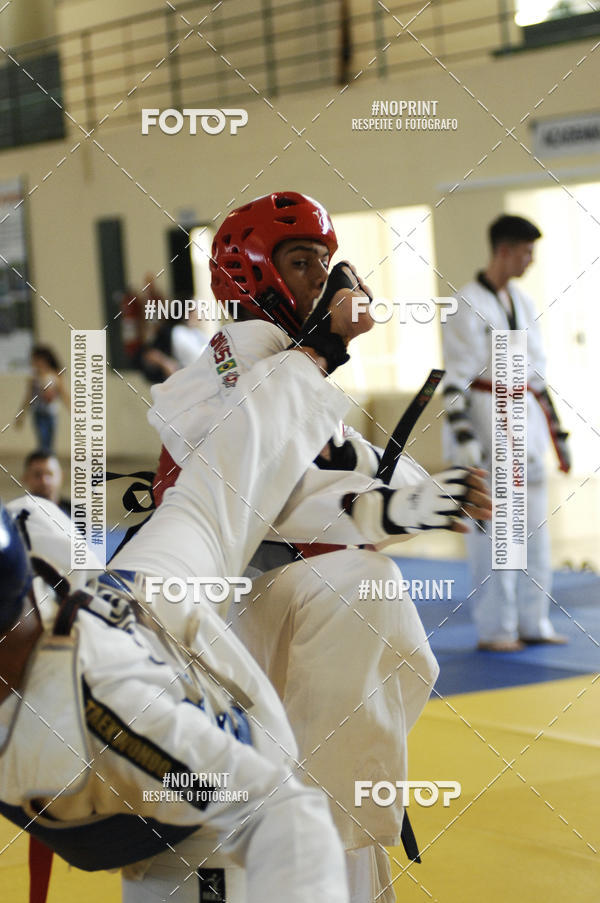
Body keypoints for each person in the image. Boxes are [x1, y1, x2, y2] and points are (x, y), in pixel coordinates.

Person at [141, 191, 492, 903]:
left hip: (280, 635)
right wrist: (385, 507)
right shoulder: (231, 370)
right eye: (301, 262)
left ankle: (328, 863)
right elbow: (252, 483)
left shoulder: (287, 368)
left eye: (324, 264)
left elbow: (348, 457)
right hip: (232, 616)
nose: (320, 281)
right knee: (361, 586)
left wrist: (418, 493)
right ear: (251, 274)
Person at [0, 295, 375, 903]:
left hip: (200, 783)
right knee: (214, 492)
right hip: (132, 598)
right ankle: (317, 350)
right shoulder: (34, 541)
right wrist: (319, 350)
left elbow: (281, 812)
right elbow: (233, 465)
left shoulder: (117, 708)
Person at [441, 214, 569, 652]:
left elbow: (538, 374)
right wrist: (464, 437)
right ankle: (497, 629)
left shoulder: (524, 302)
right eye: (526, 252)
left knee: (535, 531)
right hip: (486, 420)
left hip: (525, 422)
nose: (531, 260)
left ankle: (534, 622)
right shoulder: (466, 303)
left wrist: (557, 433)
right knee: (495, 535)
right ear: (504, 250)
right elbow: (454, 379)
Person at [16, 345, 69, 454]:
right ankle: (45, 459)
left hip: (51, 414)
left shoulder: (55, 376)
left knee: (49, 442)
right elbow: (28, 399)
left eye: (35, 360)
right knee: (43, 441)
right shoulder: (34, 378)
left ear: (44, 360)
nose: (33, 363)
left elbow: (64, 394)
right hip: (39, 413)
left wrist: (73, 410)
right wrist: (21, 416)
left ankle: (49, 459)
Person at [21, 450, 70, 517]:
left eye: (50, 474)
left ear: (61, 476)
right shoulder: (15, 514)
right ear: (25, 478)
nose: (44, 481)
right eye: (37, 475)